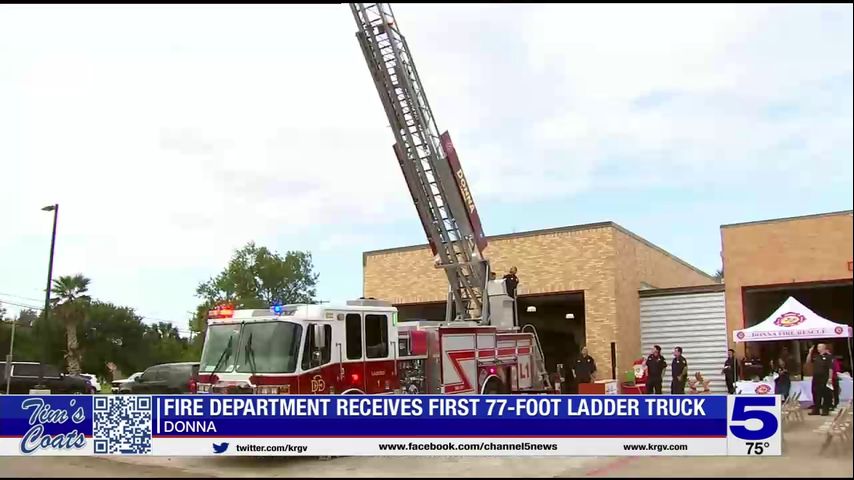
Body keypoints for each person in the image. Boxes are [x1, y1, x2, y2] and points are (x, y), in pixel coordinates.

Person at [808, 344, 833, 416]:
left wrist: (830, 378)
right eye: (818, 347)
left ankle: (825, 410)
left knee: (825, 394)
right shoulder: (816, 356)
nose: (818, 348)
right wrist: (810, 352)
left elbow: (830, 368)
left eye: (820, 347)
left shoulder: (828, 357)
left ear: (824, 348)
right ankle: (816, 409)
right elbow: (808, 361)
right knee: (816, 393)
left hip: (824, 378)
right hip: (816, 378)